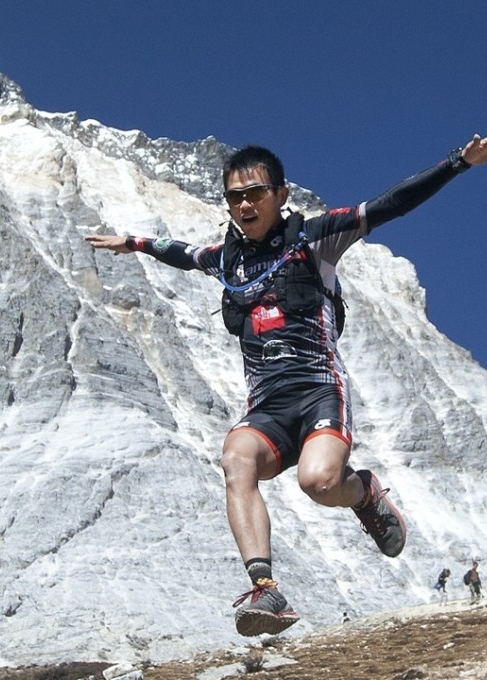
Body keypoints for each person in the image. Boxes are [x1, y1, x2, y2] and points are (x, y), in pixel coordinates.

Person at [86, 134, 487, 636]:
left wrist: (458, 163)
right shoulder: (225, 259)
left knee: (318, 483)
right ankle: (265, 589)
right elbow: (183, 253)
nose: (245, 204)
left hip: (318, 392)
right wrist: (134, 242)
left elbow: (388, 206)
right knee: (236, 458)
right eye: (234, 197)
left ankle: (363, 494)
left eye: (254, 193)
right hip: (267, 407)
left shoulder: (317, 237)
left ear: (279, 193)